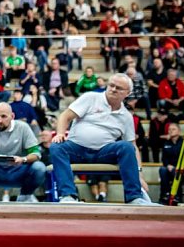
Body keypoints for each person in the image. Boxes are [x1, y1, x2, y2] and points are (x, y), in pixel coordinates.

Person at [49, 73, 153, 204]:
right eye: (111, 85)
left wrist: (140, 175)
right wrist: (60, 133)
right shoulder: (90, 97)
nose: (113, 89)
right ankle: (68, 196)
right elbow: (65, 116)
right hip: (77, 149)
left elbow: (133, 146)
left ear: (128, 93)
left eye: (119, 88)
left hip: (104, 152)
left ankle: (134, 198)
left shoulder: (126, 116)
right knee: (56, 146)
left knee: (127, 147)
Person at [158, 123, 183, 204]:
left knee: (176, 171)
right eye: (169, 129)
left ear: (179, 131)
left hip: (181, 168)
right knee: (162, 169)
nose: (171, 131)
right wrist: (168, 165)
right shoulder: (166, 143)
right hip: (169, 168)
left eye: (173, 129)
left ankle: (177, 196)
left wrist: (176, 166)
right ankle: (165, 195)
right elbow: (164, 159)